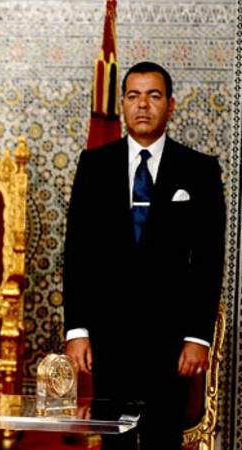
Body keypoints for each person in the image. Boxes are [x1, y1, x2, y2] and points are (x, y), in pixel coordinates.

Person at [63, 62, 225, 448]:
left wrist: (198, 337)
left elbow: (208, 260)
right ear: (122, 103)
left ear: (170, 105)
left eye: (153, 96)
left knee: (162, 440)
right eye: (134, 96)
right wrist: (77, 331)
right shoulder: (94, 165)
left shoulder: (199, 170)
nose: (143, 105)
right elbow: (77, 254)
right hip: (109, 338)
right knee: (113, 441)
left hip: (171, 342)